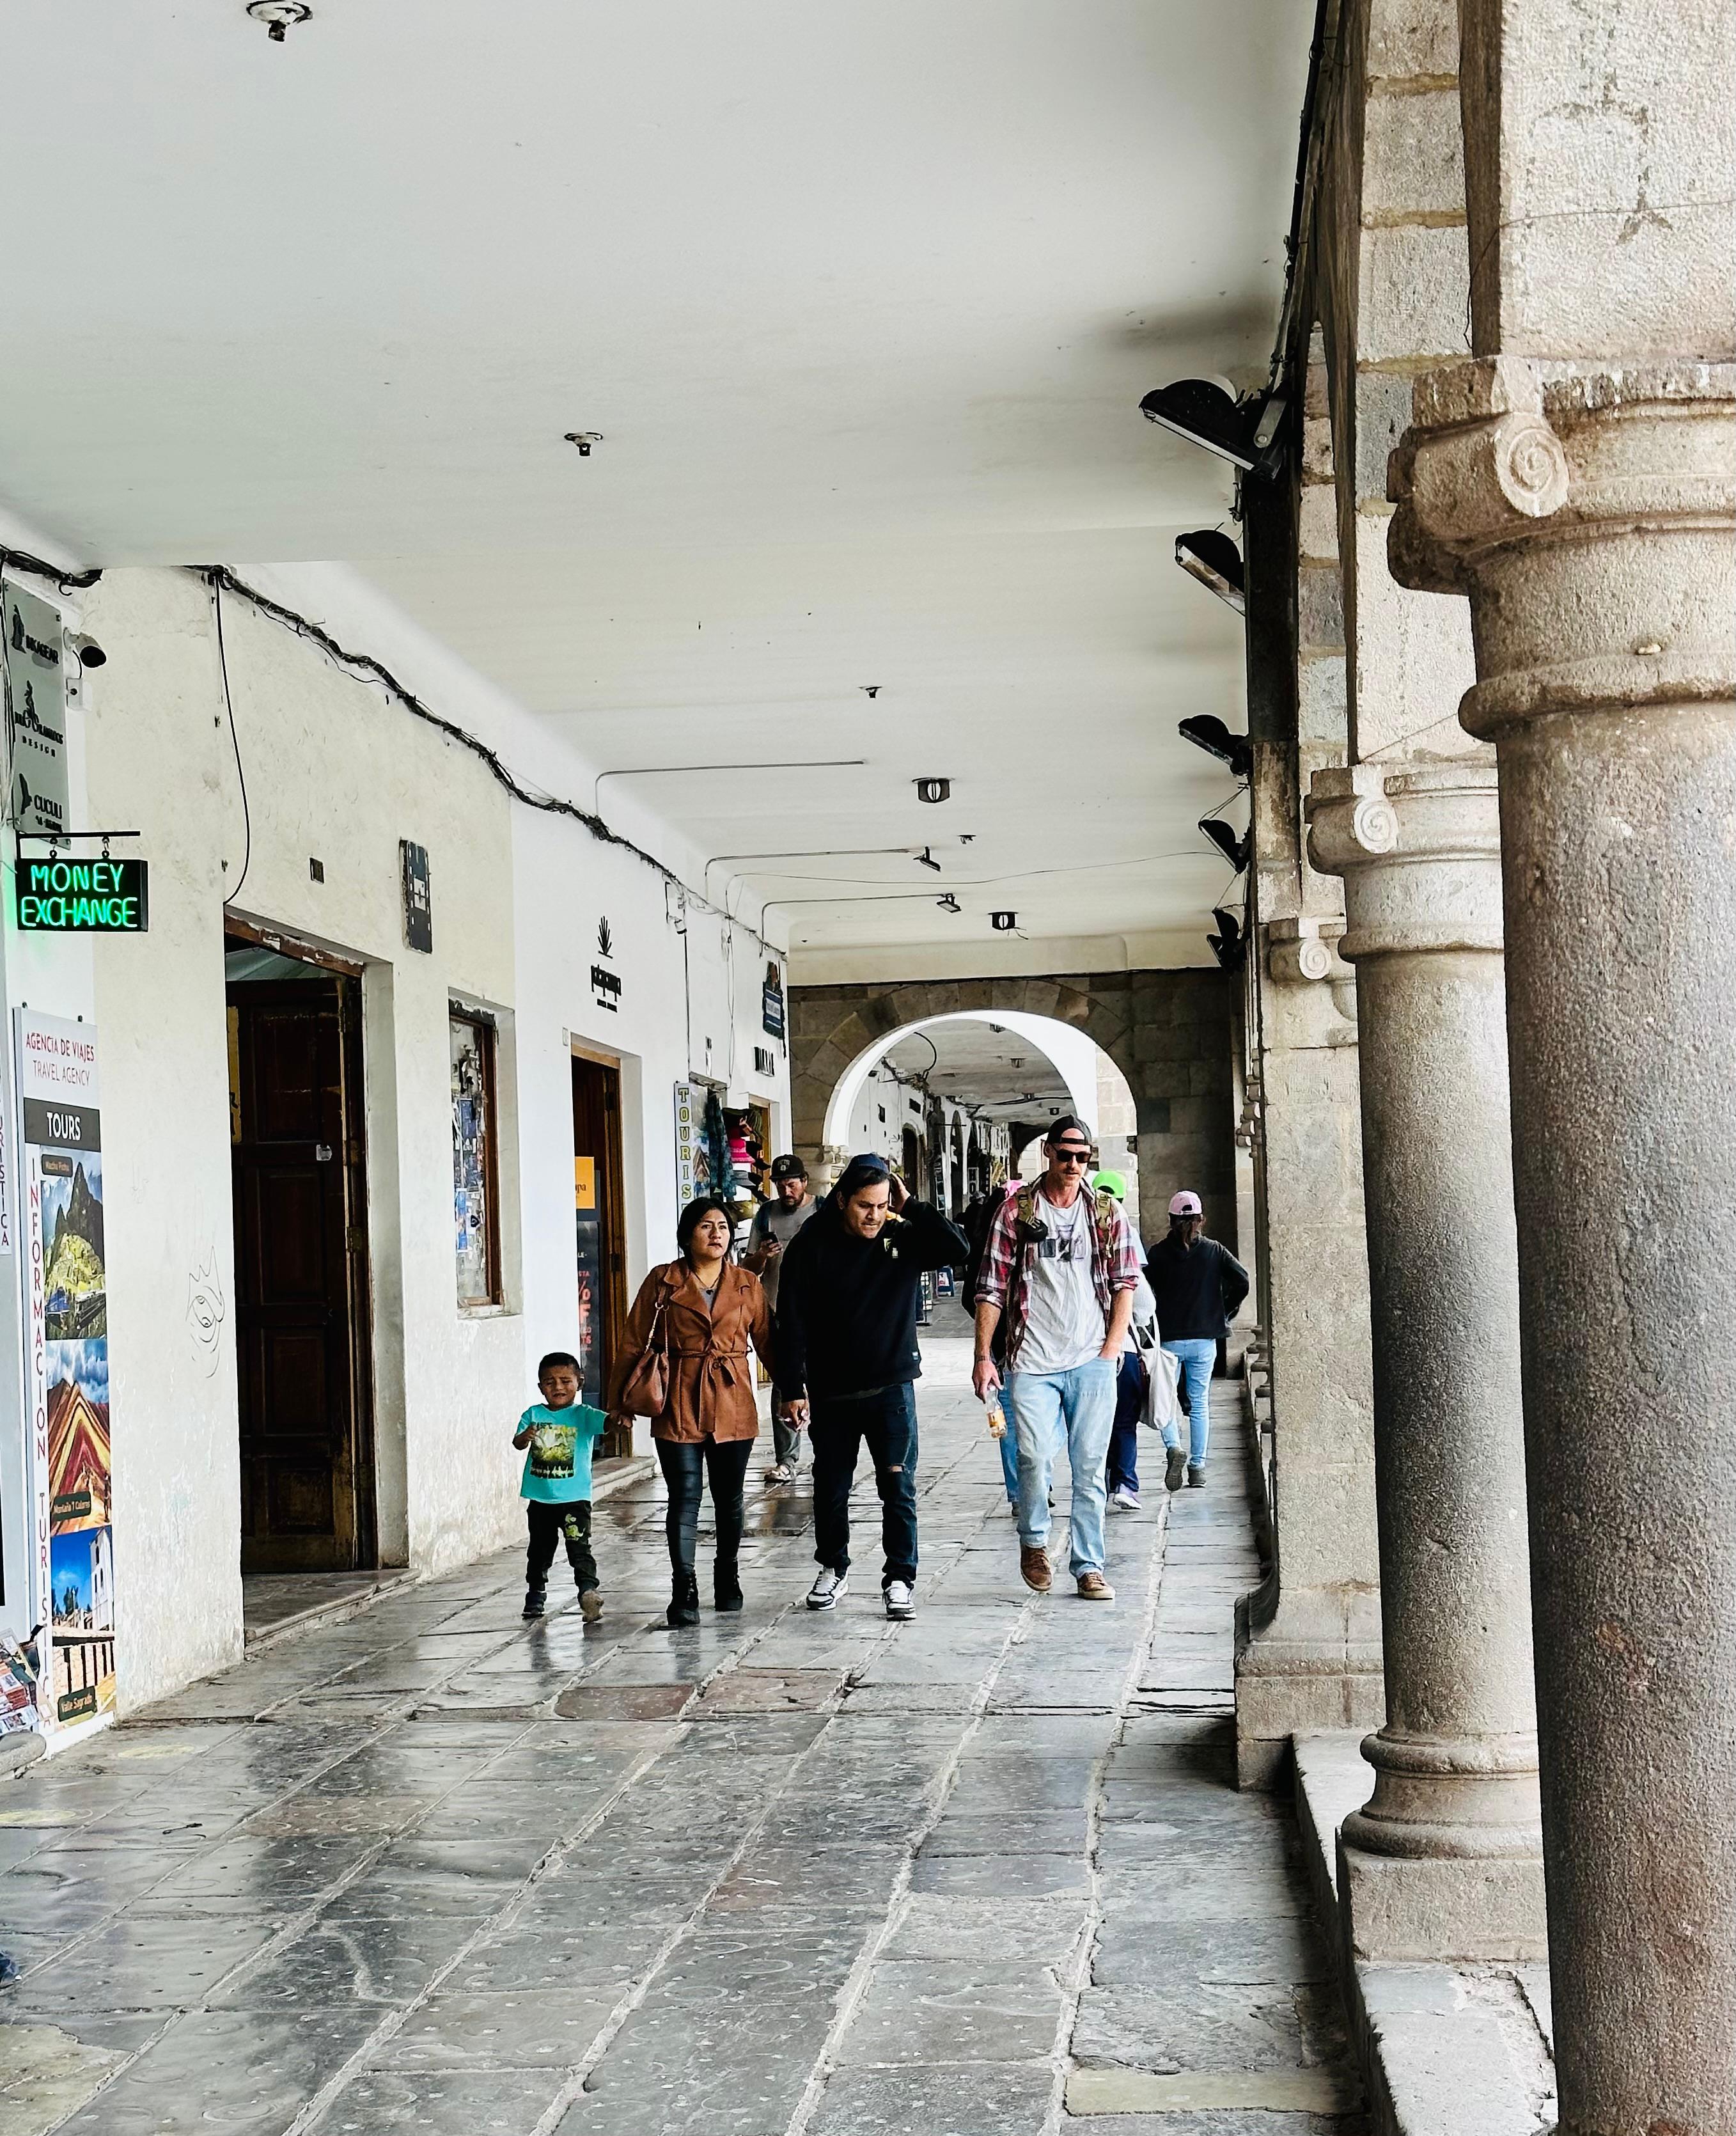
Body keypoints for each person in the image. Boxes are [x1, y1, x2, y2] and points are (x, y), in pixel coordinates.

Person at [776, 1153, 967, 1621]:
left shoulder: (901, 1237)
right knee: (831, 1487)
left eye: (882, 1206)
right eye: (865, 1205)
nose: (874, 1216)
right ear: (842, 1199)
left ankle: (900, 1578)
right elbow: (791, 1321)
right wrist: (791, 1387)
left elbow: (958, 1250)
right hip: (832, 1389)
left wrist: (913, 1206)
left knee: (897, 1488)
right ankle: (832, 1567)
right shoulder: (811, 1245)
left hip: (892, 1387)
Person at [973, 1118, 1140, 1601]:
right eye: (1064, 1155)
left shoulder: (1106, 1213)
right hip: (1030, 1357)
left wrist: (1111, 1350)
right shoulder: (1016, 1211)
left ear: (1089, 1159)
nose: (1072, 1165)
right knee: (1032, 1456)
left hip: (1091, 1358)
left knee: (1089, 1468)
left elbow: (1124, 1282)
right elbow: (991, 1286)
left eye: (1081, 1157)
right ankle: (1034, 1542)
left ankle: (1088, 1565)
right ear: (1047, 1152)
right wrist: (983, 1355)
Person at [613, 1195, 772, 1627]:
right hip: (677, 1398)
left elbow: (767, 1340)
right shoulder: (662, 1281)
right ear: (687, 1235)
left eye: (722, 1226)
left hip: (732, 1397)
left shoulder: (746, 1283)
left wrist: (794, 1392)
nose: (716, 1233)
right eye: (705, 1226)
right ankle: (683, 1586)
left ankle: (728, 1575)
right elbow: (632, 1340)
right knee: (684, 1496)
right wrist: (619, 1403)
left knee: (729, 1497)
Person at [1145, 1190, 1249, 1489]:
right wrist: (1223, 1310)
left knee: (1166, 1401)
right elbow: (1242, 1281)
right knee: (1200, 1403)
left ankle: (1174, 1448)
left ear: (1171, 1219)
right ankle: (1198, 1467)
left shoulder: (1158, 1254)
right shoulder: (1214, 1251)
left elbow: (1146, 1293)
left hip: (1170, 1339)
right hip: (1205, 1339)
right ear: (1201, 1220)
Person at [512, 1351, 611, 1621]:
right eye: (550, 1382)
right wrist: (525, 1436)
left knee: (579, 1547)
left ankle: (588, 1593)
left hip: (575, 1500)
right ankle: (535, 1594)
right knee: (539, 1551)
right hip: (541, 1500)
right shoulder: (533, 1414)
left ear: (580, 1382)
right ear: (540, 1386)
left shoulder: (585, 1415)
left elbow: (609, 1424)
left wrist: (623, 1415)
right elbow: (517, 1443)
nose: (558, 1387)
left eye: (566, 1381)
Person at [742, 1154, 820, 1483]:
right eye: (780, 1185)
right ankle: (787, 1458)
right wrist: (762, 1256)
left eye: (792, 1184)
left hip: (820, 1312)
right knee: (784, 1384)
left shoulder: (824, 1211)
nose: (787, 1191)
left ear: (804, 1182)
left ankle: (824, 1452)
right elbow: (748, 1270)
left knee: (820, 1380)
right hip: (776, 1311)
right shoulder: (766, 1216)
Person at [1091, 1171, 1155, 1513]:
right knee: (1125, 1422)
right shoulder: (1125, 1246)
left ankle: (1095, 1485)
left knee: (1092, 1426)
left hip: (1084, 1355)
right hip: (1124, 1352)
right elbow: (1145, 1307)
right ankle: (1126, 1484)